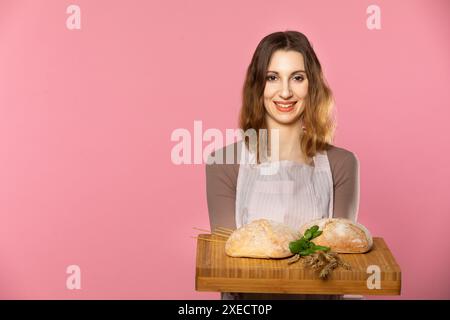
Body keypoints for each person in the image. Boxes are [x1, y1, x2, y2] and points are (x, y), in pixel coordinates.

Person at [205, 30, 360, 300]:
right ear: (258, 85)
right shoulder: (224, 163)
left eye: (297, 78)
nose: (285, 92)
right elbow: (227, 270)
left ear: (312, 85)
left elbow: (340, 263)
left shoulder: (342, 163)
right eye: (272, 77)